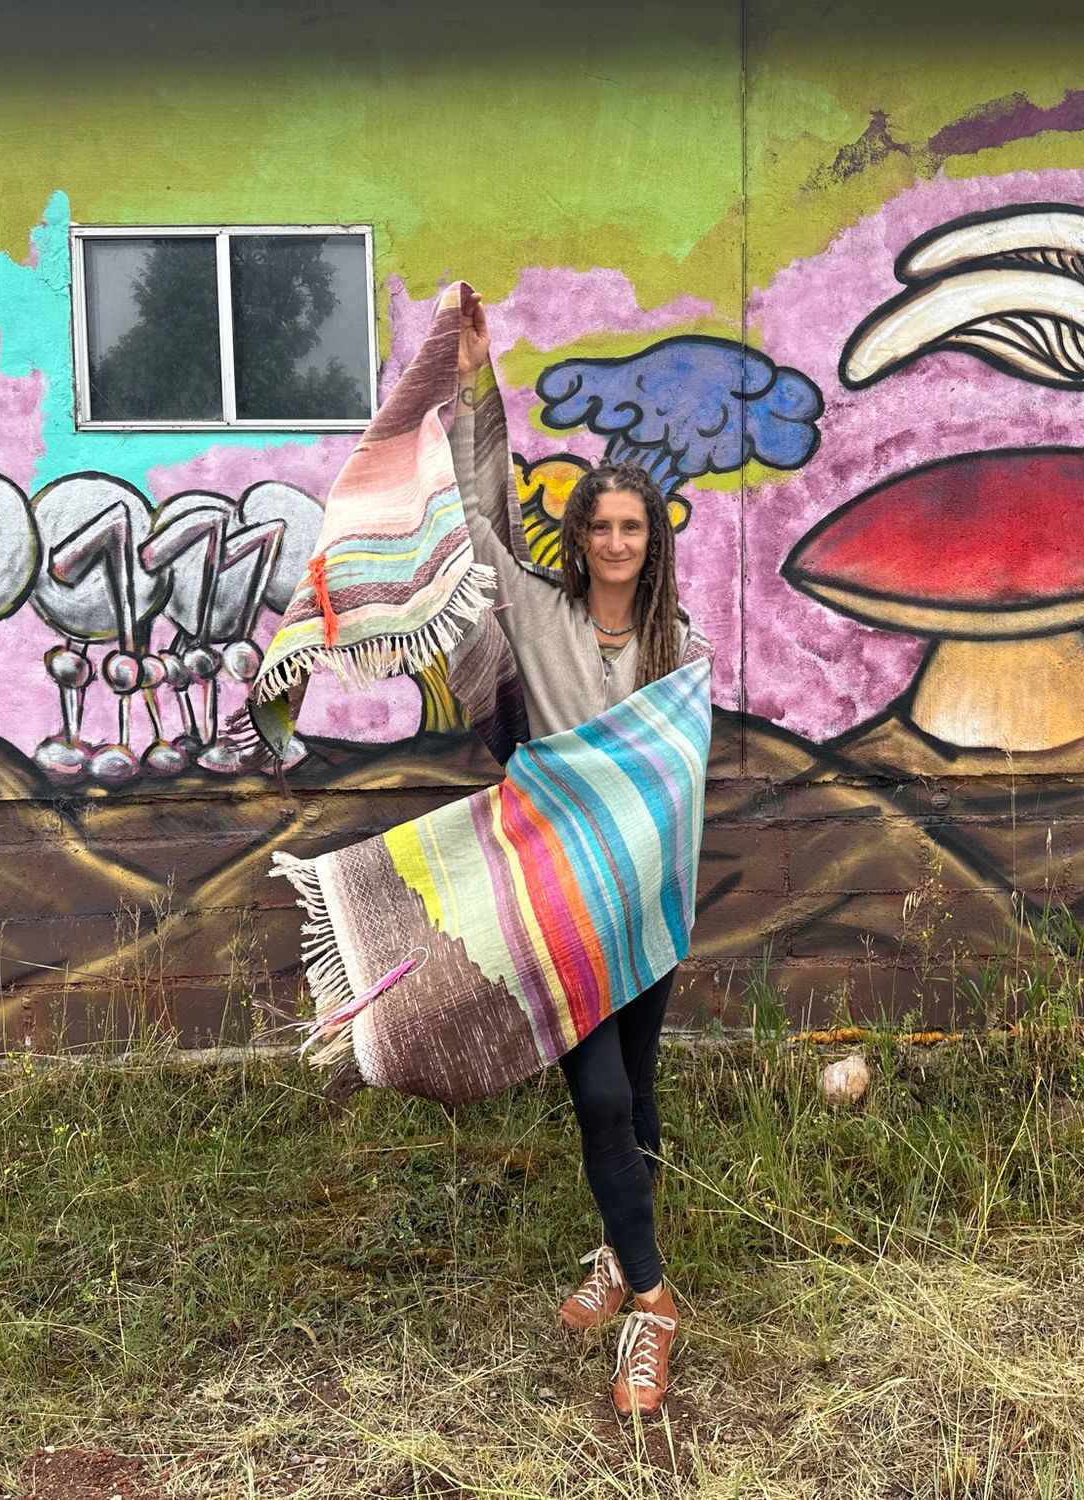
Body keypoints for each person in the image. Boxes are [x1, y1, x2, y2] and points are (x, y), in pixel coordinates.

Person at [450, 287, 708, 1417]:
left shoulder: (680, 647)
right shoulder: (536, 611)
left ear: (649, 542)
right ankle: (653, 1304)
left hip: (644, 904)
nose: (613, 542)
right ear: (578, 538)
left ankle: (616, 1256)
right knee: (598, 1099)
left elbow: (679, 782)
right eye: (598, 526)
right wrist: (471, 380)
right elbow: (472, 513)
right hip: (559, 897)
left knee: (638, 1097)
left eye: (630, 528)